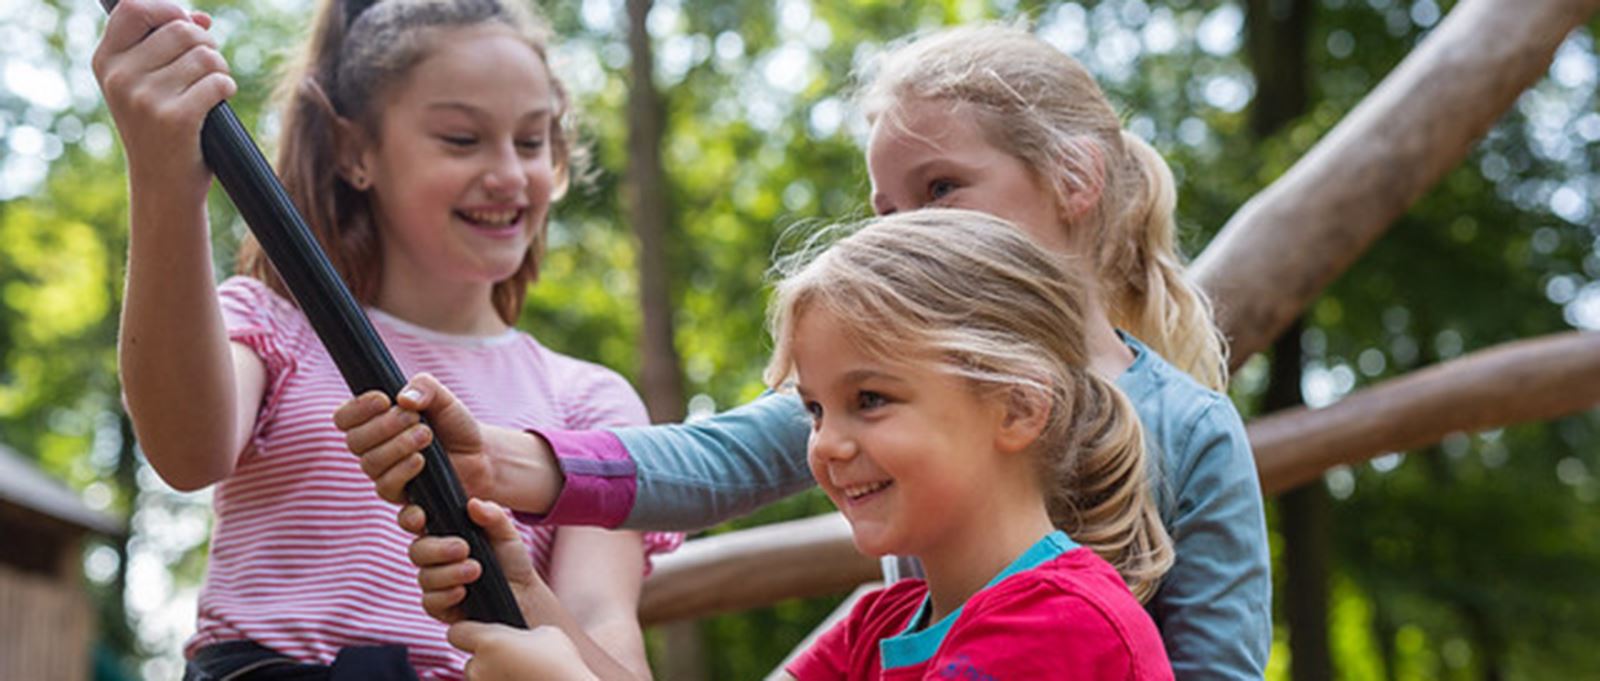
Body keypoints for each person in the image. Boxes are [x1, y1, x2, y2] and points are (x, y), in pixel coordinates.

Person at [342, 22, 1269, 679]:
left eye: (942, 188)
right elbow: (713, 457)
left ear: (1074, 179)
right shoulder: (885, 603)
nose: (905, 233)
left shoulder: (1174, 450)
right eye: (887, 212)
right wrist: (503, 484)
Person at [93, 0, 676, 677]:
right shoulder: (274, 327)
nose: (510, 174)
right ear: (355, 151)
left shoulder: (589, 404)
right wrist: (164, 176)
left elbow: (614, 663)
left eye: (532, 140)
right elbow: (187, 450)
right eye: (462, 139)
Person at [380, 210, 1177, 679]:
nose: (827, 444)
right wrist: (526, 595)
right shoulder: (881, 624)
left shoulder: (1063, 626)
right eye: (814, 409)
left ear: (1017, 407)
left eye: (870, 400)